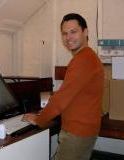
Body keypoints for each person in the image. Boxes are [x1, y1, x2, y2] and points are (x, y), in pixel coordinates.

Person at [23, 13, 104, 160]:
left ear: (85, 32)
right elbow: (69, 94)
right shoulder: (86, 57)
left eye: (73, 32)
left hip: (77, 132)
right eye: (65, 33)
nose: (68, 37)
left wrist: (39, 119)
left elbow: (61, 99)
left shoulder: (84, 60)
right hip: (81, 129)